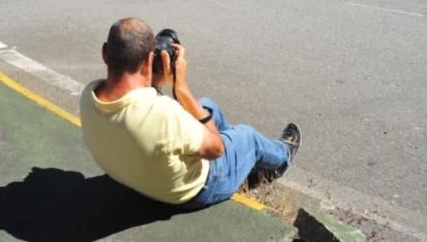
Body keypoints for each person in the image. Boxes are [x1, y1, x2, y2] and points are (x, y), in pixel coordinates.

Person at [79, 17, 300, 208]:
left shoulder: (90, 94)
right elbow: (216, 149)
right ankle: (283, 156)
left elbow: (137, 108)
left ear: (105, 53)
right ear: (149, 60)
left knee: (206, 105)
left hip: (137, 177)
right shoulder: (163, 114)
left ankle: (238, 161)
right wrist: (181, 87)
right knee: (248, 136)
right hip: (190, 191)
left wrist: (153, 79)